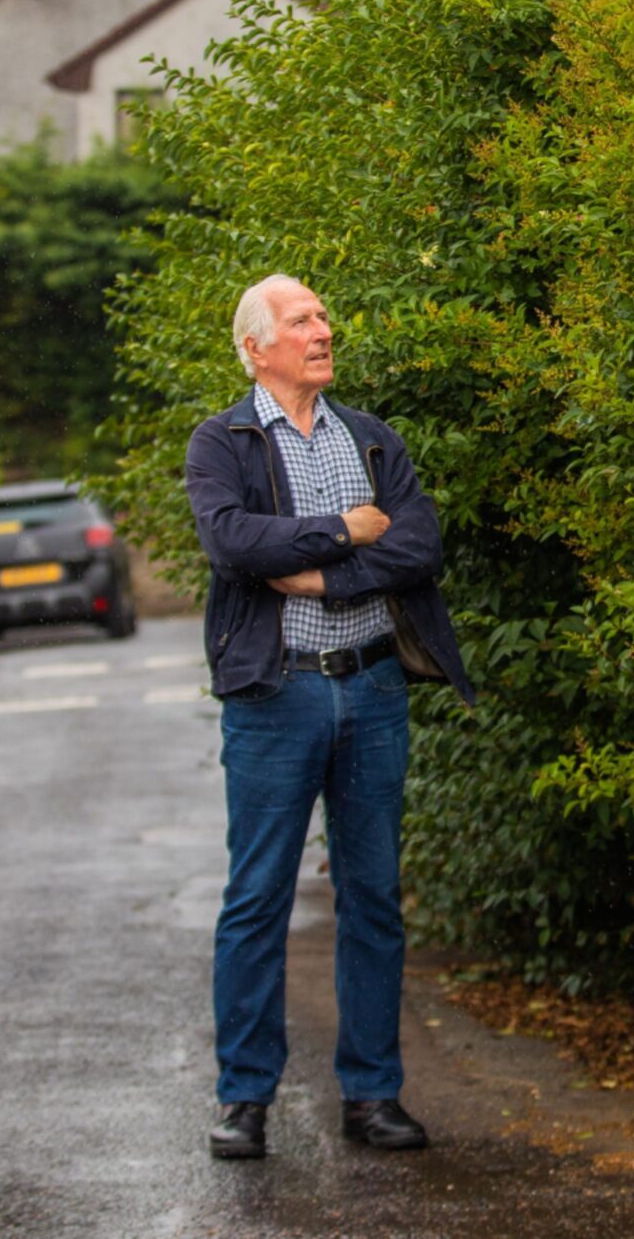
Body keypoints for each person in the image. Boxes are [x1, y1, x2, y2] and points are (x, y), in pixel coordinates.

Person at [183, 274, 473, 1161]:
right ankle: (245, 1100)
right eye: (302, 319)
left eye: (322, 316)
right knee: (258, 897)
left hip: (374, 686)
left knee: (374, 895)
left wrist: (317, 568)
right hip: (278, 695)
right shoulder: (221, 441)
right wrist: (349, 530)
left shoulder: (369, 437)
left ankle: (372, 1094)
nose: (323, 328)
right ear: (255, 347)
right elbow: (235, 544)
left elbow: (419, 542)